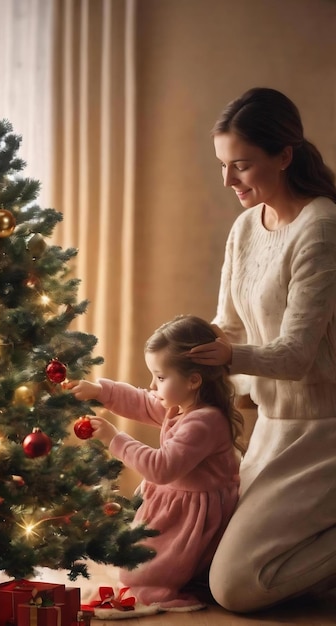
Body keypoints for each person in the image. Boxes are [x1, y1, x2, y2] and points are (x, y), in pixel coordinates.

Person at [186, 87, 336, 612]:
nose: (227, 180)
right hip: (273, 423)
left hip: (323, 429)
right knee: (188, 558)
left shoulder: (321, 225)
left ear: (284, 155)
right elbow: (227, 326)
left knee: (237, 587)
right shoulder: (247, 225)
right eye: (224, 165)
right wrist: (179, 365)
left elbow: (294, 355)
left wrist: (227, 357)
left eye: (241, 166)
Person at [64, 314, 244, 611]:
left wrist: (114, 438)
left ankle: (165, 587)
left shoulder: (205, 421)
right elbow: (141, 401)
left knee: (145, 577)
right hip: (171, 506)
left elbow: (161, 468)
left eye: (160, 377)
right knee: (130, 566)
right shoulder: (183, 405)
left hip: (190, 516)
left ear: (193, 380)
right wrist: (99, 392)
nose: (152, 385)